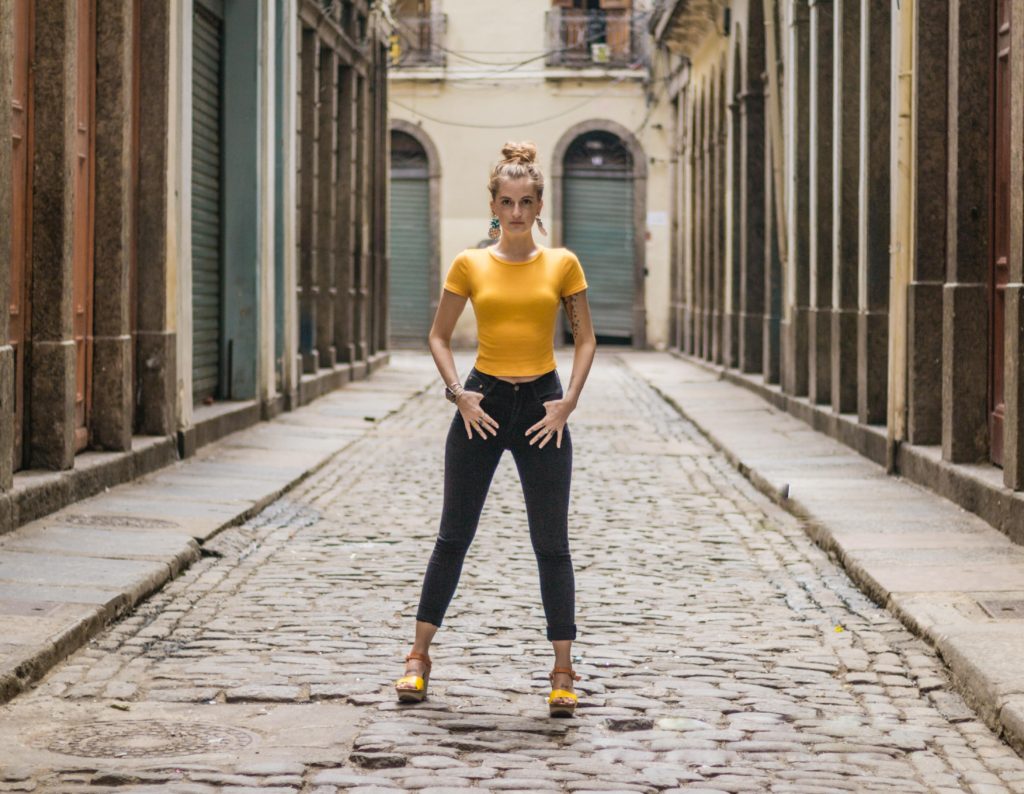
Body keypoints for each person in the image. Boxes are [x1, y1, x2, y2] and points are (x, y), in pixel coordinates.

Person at [394, 141, 597, 717]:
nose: (515, 213)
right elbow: (437, 335)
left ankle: (563, 670)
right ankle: (417, 657)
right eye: (506, 202)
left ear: (538, 205)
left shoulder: (562, 264)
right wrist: (458, 394)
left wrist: (567, 403)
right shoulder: (469, 263)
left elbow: (585, 339)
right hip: (480, 406)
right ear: (493, 203)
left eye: (525, 202)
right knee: (452, 537)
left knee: (551, 545)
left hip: (542, 406)